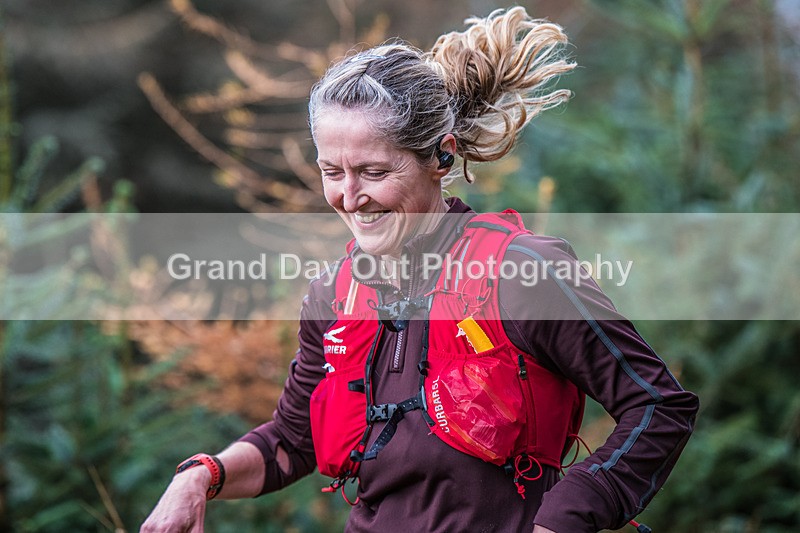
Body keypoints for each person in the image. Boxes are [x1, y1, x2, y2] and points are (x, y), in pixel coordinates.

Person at [141, 7, 699, 533]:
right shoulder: (334, 295)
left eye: (375, 171)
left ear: (441, 156)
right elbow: (295, 439)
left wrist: (564, 519)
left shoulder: (523, 274)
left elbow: (658, 405)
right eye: (331, 171)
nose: (349, 197)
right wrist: (201, 476)